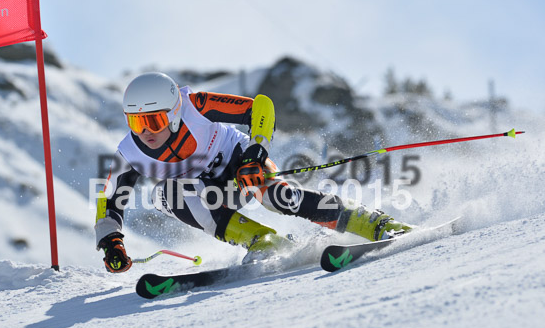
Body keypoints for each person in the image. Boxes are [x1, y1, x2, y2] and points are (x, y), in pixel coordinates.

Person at [95, 72, 412, 273]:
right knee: (167, 194)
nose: (146, 132)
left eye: (153, 121)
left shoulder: (196, 105)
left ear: (175, 112)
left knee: (278, 197)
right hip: (201, 196)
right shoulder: (130, 152)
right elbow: (110, 202)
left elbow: (260, 107)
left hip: (237, 165)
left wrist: (256, 151)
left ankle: (371, 222)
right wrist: (111, 243)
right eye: (136, 122)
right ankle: (262, 241)